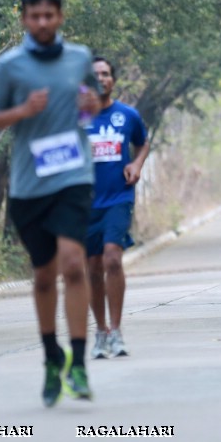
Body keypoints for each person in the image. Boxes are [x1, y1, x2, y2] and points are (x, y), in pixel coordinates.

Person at [0, 0, 101, 406]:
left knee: (73, 265)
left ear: (60, 16)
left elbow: (93, 107)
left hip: (73, 177)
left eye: (50, 15)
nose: (43, 22)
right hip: (30, 185)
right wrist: (22, 111)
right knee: (45, 274)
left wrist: (91, 105)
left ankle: (80, 363)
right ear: (24, 19)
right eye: (35, 16)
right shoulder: (10, 66)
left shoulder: (80, 58)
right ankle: (52, 356)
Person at [85, 57, 150, 359]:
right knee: (93, 268)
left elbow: (143, 143)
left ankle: (117, 330)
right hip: (85, 204)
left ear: (113, 80)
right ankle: (100, 332)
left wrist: (136, 164)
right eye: (95, 74)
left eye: (106, 74)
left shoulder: (128, 115)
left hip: (118, 199)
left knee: (112, 259)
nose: (101, 78)